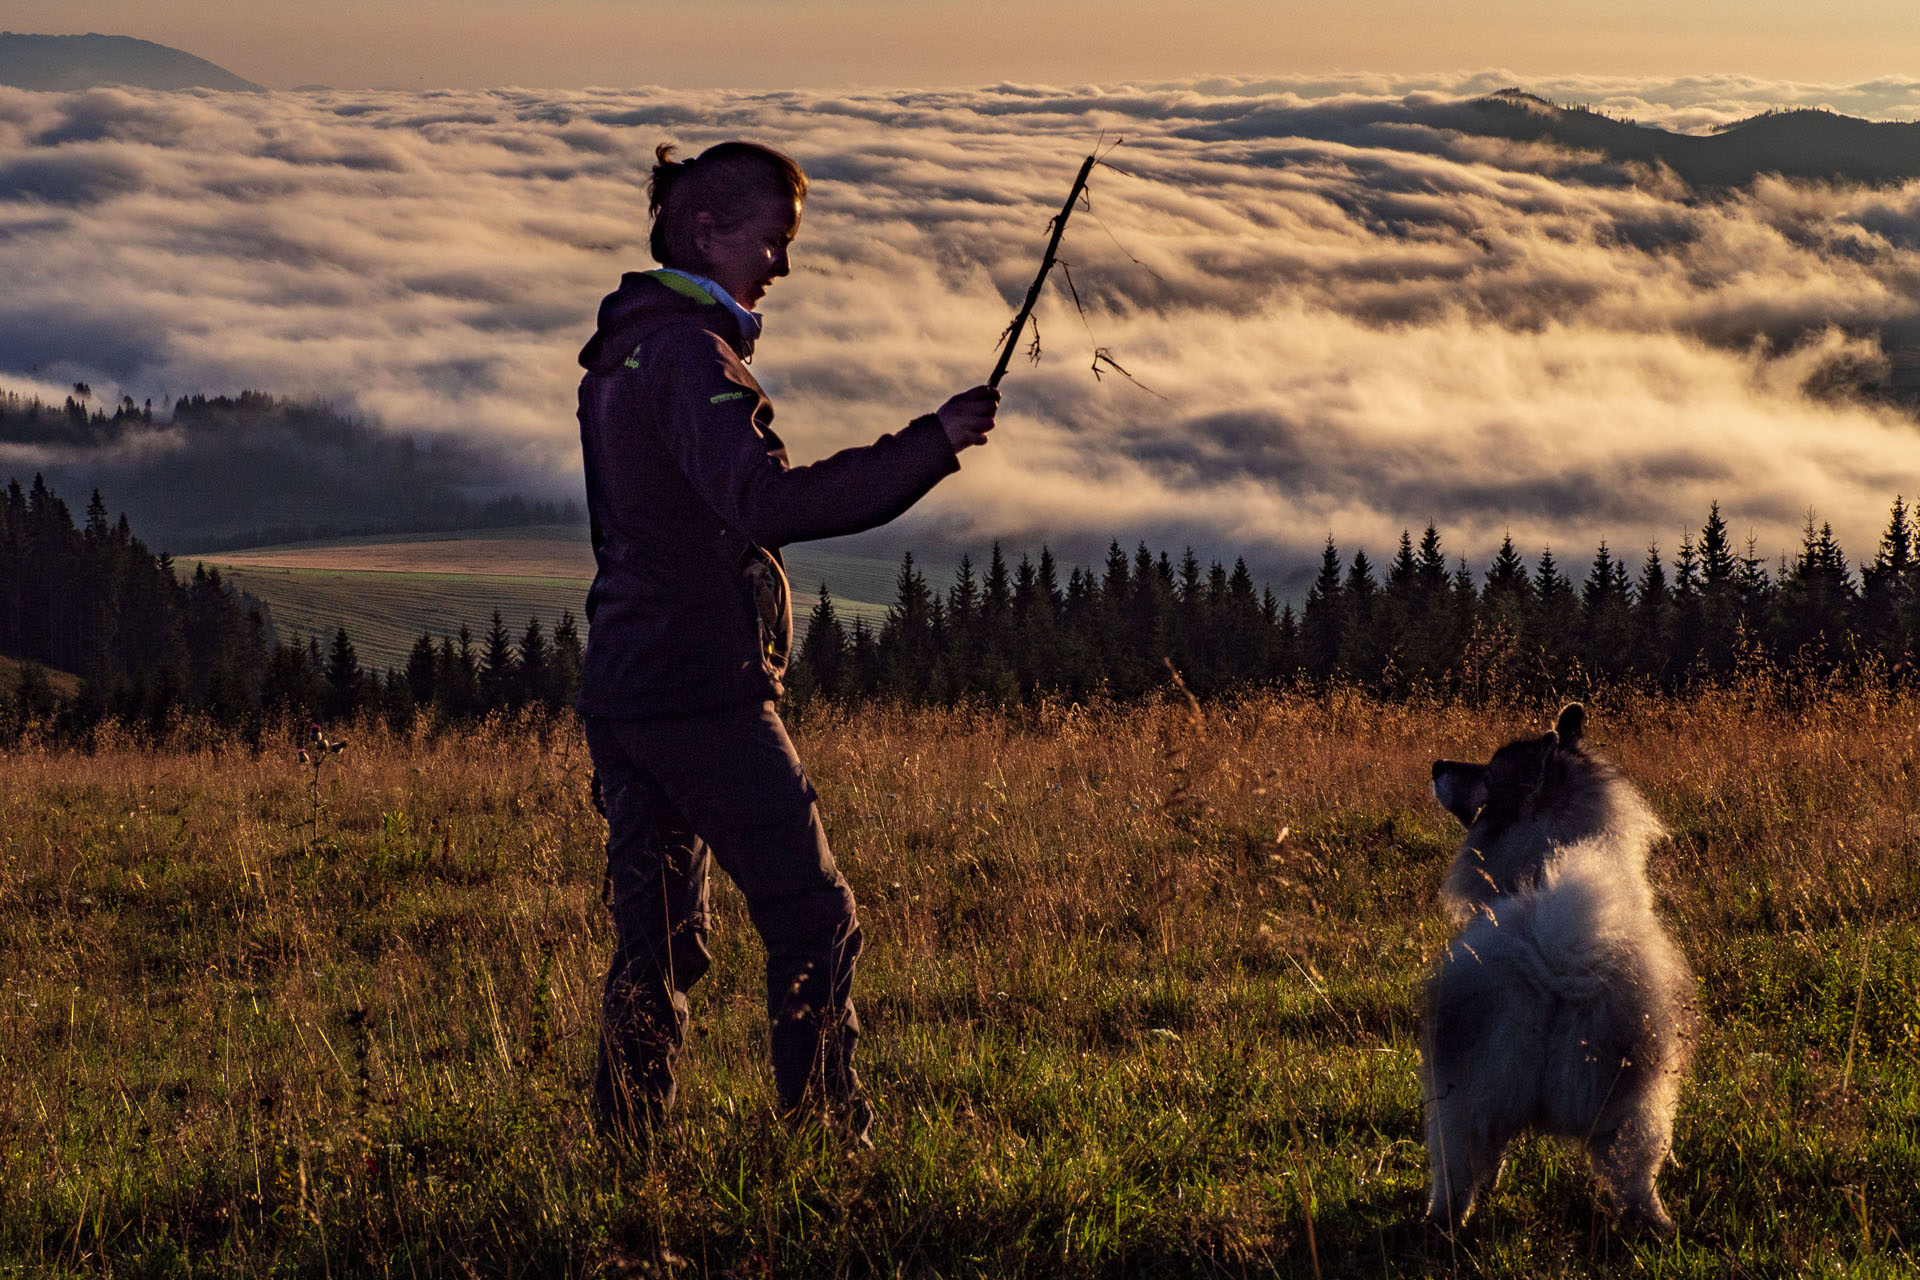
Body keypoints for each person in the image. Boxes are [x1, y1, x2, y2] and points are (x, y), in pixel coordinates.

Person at [575, 139, 998, 1145]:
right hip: (701, 693)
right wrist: (929, 443)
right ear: (705, 231)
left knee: (659, 944)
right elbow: (765, 498)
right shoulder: (684, 354)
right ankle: (821, 1138)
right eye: (773, 242)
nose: (783, 265)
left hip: (627, 684)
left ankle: (626, 1146)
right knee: (812, 915)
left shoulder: (627, 348)